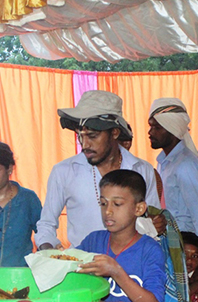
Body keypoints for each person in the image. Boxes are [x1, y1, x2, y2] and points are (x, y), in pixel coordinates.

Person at [36, 90, 160, 250]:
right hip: (82, 263)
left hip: (130, 262)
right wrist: (48, 252)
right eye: (80, 136)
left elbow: (152, 220)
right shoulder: (64, 171)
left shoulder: (142, 170)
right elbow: (46, 224)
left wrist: (156, 223)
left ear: (114, 132)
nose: (85, 144)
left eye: (93, 136)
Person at [148, 97, 198, 297]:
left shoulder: (185, 165)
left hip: (186, 254)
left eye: (156, 128)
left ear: (173, 130)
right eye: (150, 126)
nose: (150, 132)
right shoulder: (167, 162)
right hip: (172, 249)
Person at [77, 170, 166, 302]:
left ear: (139, 209)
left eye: (117, 204)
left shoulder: (149, 250)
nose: (108, 211)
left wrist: (116, 272)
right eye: (103, 203)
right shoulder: (93, 241)